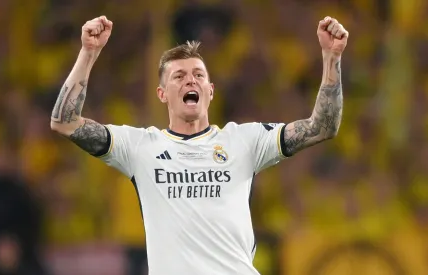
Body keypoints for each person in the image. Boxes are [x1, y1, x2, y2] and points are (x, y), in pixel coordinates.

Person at [50, 15, 348, 275]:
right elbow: (64, 121)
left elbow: (321, 128)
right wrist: (88, 53)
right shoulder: (140, 148)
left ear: (210, 91)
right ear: (162, 93)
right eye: (179, 76)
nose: (190, 81)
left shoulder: (244, 140)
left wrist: (331, 58)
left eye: (198, 75)